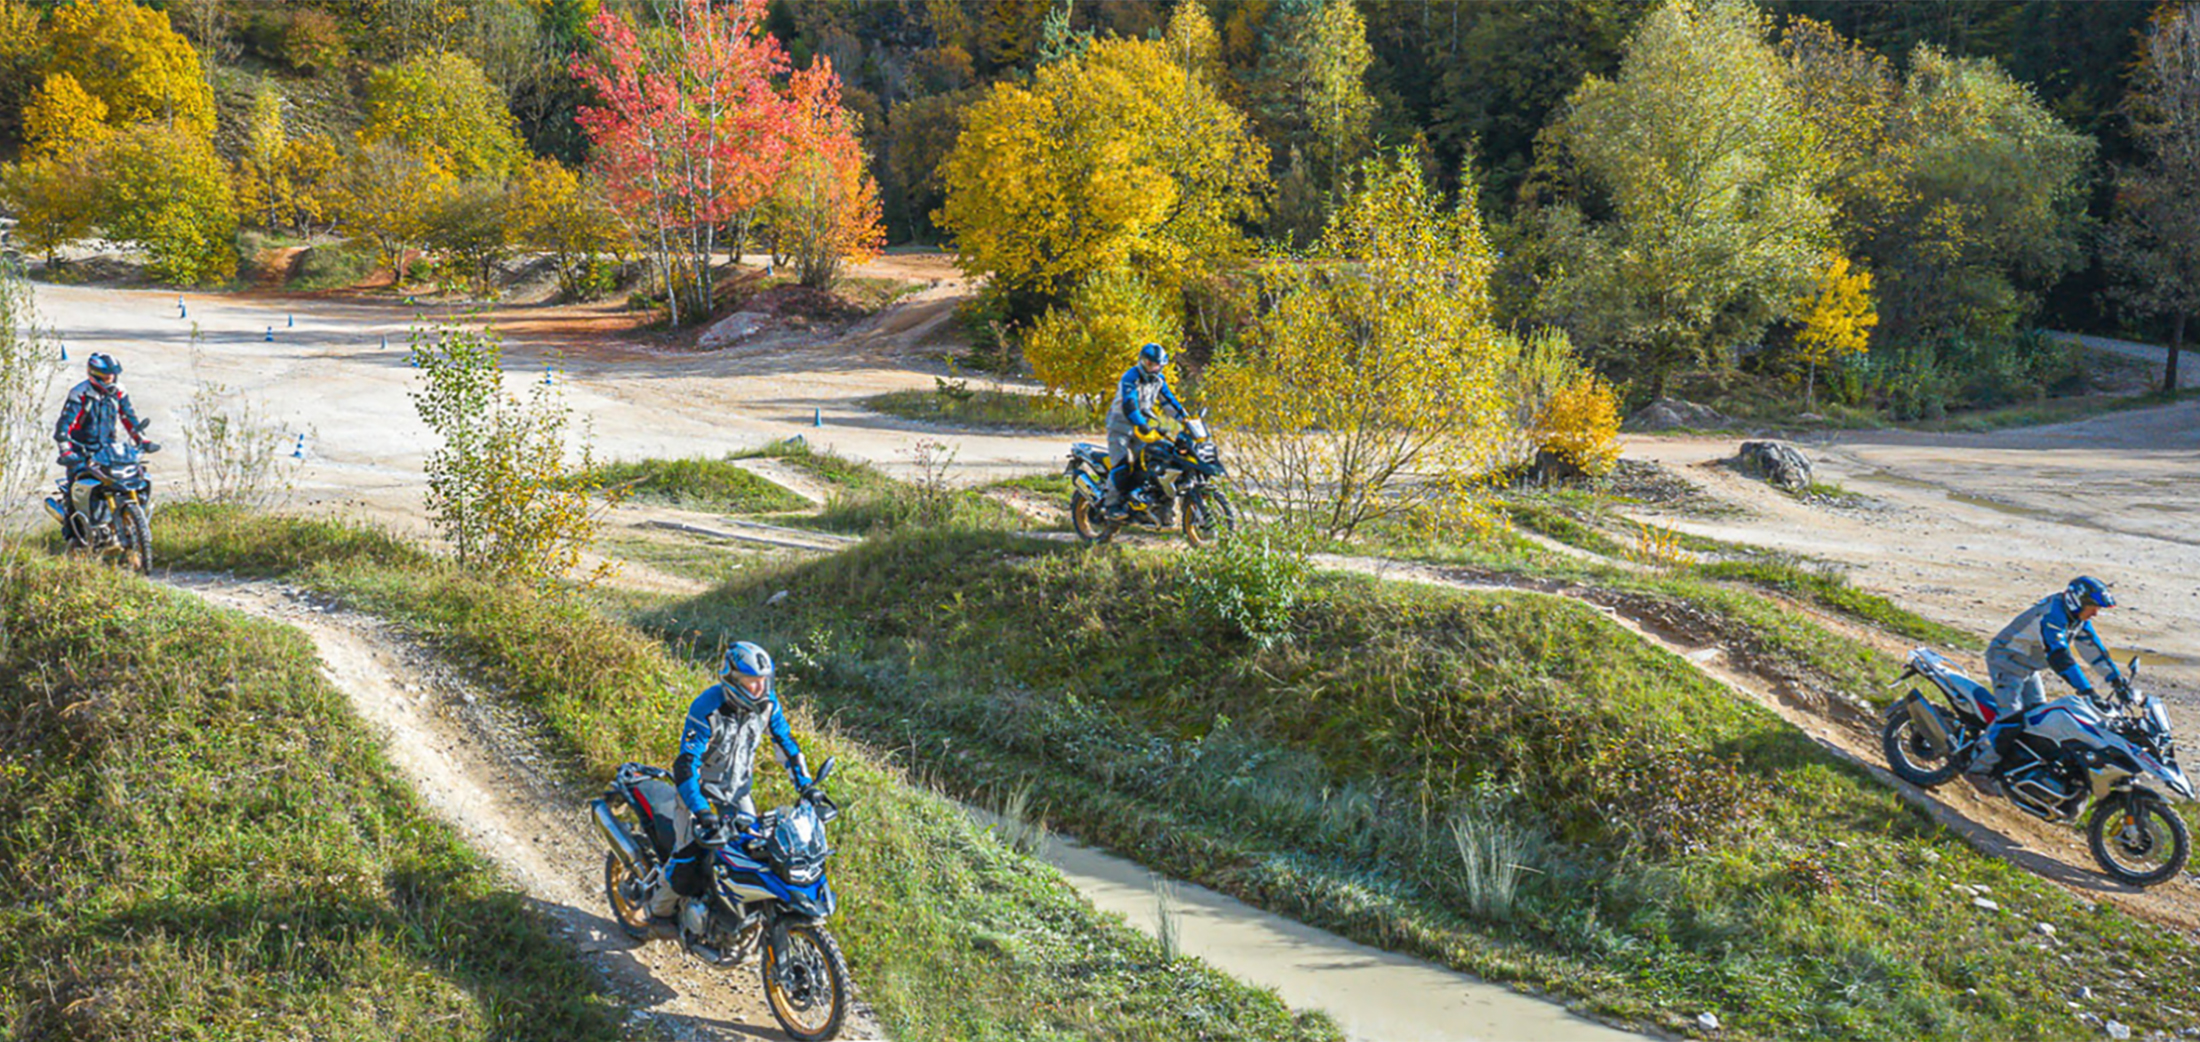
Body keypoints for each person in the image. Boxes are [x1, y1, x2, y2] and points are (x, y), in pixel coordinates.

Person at [648, 642, 814, 921]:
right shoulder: (706, 707)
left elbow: (785, 743)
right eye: (752, 682)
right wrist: (701, 811)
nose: (760, 689)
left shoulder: (768, 705)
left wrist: (807, 786)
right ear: (733, 680)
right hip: (700, 796)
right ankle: (655, 913)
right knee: (686, 859)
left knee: (755, 856)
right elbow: (686, 764)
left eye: (764, 681)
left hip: (737, 795)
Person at [1967, 576, 2124, 783]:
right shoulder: (2052, 616)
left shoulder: (2077, 618)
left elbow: (2094, 651)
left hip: (2029, 667)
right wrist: (2086, 691)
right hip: (2007, 662)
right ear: (2077, 601)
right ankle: (1978, 770)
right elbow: (2059, 656)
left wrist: (2117, 682)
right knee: (2011, 719)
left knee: (2037, 718)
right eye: (2093, 606)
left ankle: (2013, 766)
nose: (2096, 612)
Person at [49, 353, 159, 536]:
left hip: (108, 448)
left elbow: (128, 417)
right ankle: (73, 534)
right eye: (108, 376)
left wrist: (143, 440)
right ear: (94, 374)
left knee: (126, 480)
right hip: (81, 448)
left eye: (113, 375)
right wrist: (66, 450)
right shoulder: (80, 393)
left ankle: (125, 525)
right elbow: (64, 425)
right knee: (75, 489)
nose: (111, 379)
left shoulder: (119, 391)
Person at [1101, 342, 1187, 518]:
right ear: (1142, 361)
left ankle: (1149, 505)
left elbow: (1169, 402)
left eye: (1157, 365)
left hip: (1143, 427)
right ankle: (1111, 505)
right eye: (1149, 364)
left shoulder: (1158, 380)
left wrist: (1186, 419)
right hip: (1121, 425)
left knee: (1153, 463)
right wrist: (1141, 423)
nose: (1153, 368)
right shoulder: (1130, 377)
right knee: (1121, 465)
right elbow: (1129, 403)